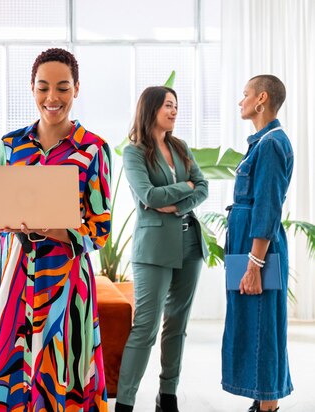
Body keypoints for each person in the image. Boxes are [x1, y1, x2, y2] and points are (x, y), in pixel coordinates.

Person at [0, 48, 111, 411]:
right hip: (12, 276)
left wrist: (55, 228)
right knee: (6, 364)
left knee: (61, 369)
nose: (53, 98)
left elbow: (100, 230)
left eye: (63, 88)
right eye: (43, 88)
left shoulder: (93, 150)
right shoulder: (10, 145)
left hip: (64, 282)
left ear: (77, 89)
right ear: (32, 89)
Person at [115, 86, 209, 412]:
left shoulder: (179, 147)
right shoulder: (134, 152)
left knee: (177, 325)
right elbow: (148, 197)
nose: (174, 111)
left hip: (189, 245)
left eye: (176, 106)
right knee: (146, 327)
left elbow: (203, 187)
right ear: (151, 108)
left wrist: (178, 203)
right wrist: (184, 189)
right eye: (168, 105)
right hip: (153, 248)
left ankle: (167, 396)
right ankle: (125, 402)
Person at [221, 75, 293, 412]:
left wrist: (255, 264)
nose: (241, 101)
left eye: (245, 94)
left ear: (261, 99)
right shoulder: (262, 142)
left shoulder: (272, 144)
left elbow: (267, 207)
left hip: (258, 249)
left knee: (263, 325)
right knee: (254, 322)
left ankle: (268, 408)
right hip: (250, 245)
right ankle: (264, 402)